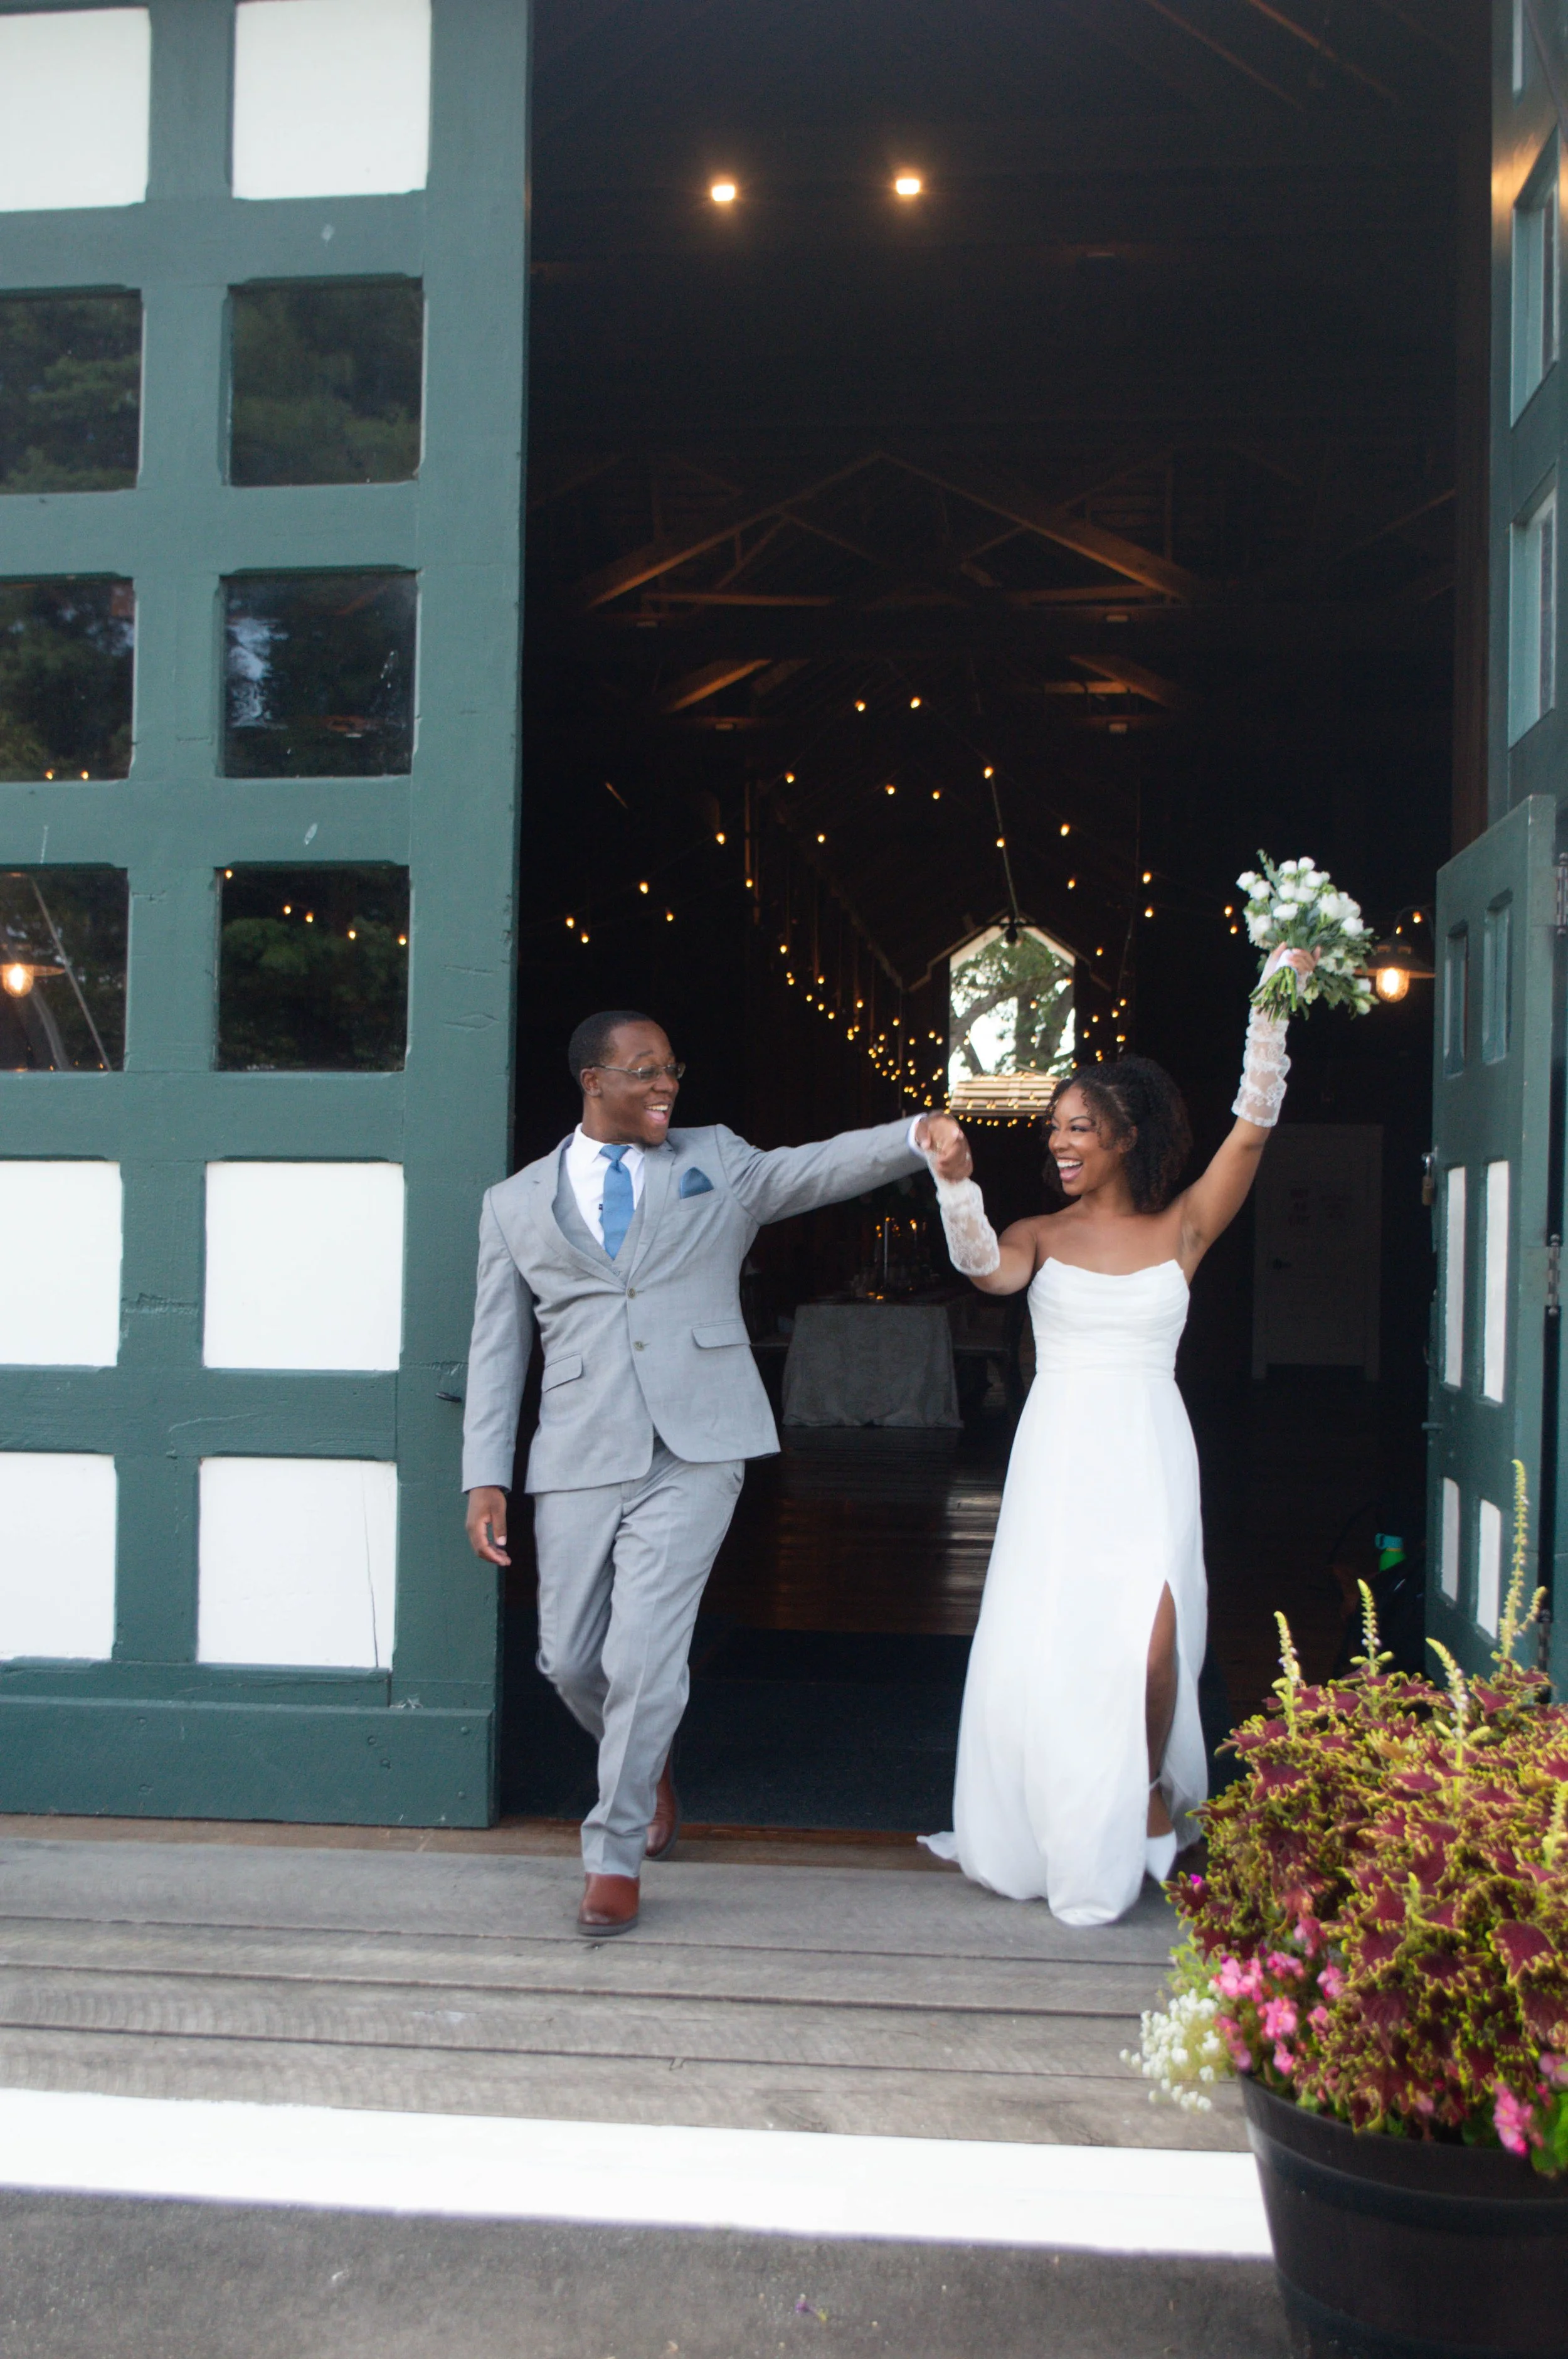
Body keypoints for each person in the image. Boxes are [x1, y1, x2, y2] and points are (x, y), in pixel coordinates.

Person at [462, 1009, 965, 1937]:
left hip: (699, 1444)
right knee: (569, 1657)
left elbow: (808, 1169)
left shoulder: (718, 1161)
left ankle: (611, 1856)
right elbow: (497, 1351)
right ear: (593, 1082)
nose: (666, 1085)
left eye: (672, 1068)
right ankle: (642, 1759)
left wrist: (908, 1137)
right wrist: (483, 1474)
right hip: (577, 1448)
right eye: (644, 1070)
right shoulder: (513, 1205)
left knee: (644, 1651)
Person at [919, 952, 1311, 1927]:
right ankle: (1061, 1818)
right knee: (1056, 1643)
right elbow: (982, 1271)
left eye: (1079, 1129)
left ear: (1127, 1137)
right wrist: (957, 1185)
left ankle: (1143, 1787)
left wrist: (1271, 1006)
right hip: (1060, 1453)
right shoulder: (1038, 1234)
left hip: (1148, 1448)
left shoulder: (1183, 1227)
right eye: (1054, 1129)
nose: (1060, 1143)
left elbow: (1252, 1134)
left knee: (1153, 1643)